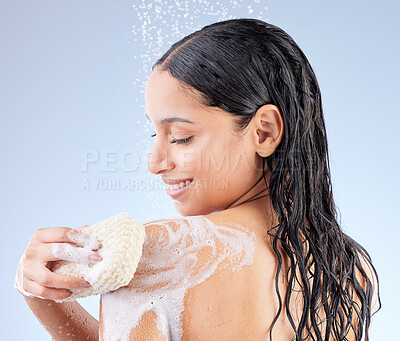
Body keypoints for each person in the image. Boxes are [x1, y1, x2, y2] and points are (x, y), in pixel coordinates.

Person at [15, 18, 380, 340]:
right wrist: (46, 300)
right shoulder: (347, 270)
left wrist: (36, 288)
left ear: (265, 132)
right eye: (154, 135)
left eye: (180, 138)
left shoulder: (161, 253)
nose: (154, 162)